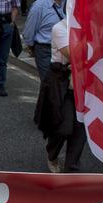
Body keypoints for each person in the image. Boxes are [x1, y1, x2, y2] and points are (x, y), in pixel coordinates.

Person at [35, 14, 87, 172]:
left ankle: (72, 168)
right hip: (60, 81)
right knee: (62, 127)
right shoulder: (59, 28)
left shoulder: (90, 28)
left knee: (80, 127)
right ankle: (52, 154)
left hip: (83, 80)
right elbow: (74, 55)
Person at [21, 0, 69, 83]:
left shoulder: (70, 4)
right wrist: (34, 49)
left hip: (66, 50)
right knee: (50, 86)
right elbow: (28, 33)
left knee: (64, 88)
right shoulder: (39, 6)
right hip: (45, 51)